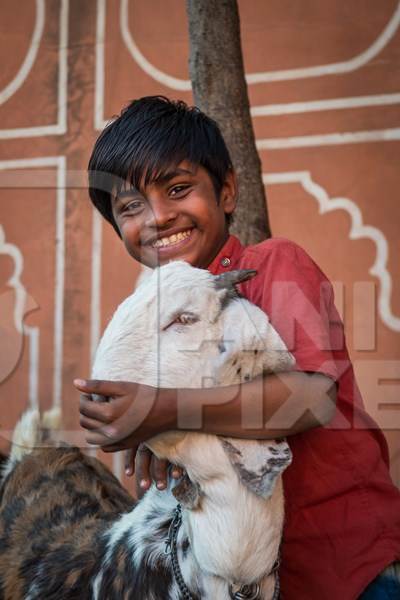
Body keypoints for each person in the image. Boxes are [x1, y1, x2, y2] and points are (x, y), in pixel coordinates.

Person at [75, 96, 400, 599]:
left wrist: (166, 411)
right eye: (130, 206)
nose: (158, 217)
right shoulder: (156, 325)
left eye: (177, 188)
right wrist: (150, 435)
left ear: (226, 191)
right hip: (246, 580)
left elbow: (311, 398)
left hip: (352, 565)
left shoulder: (275, 265)